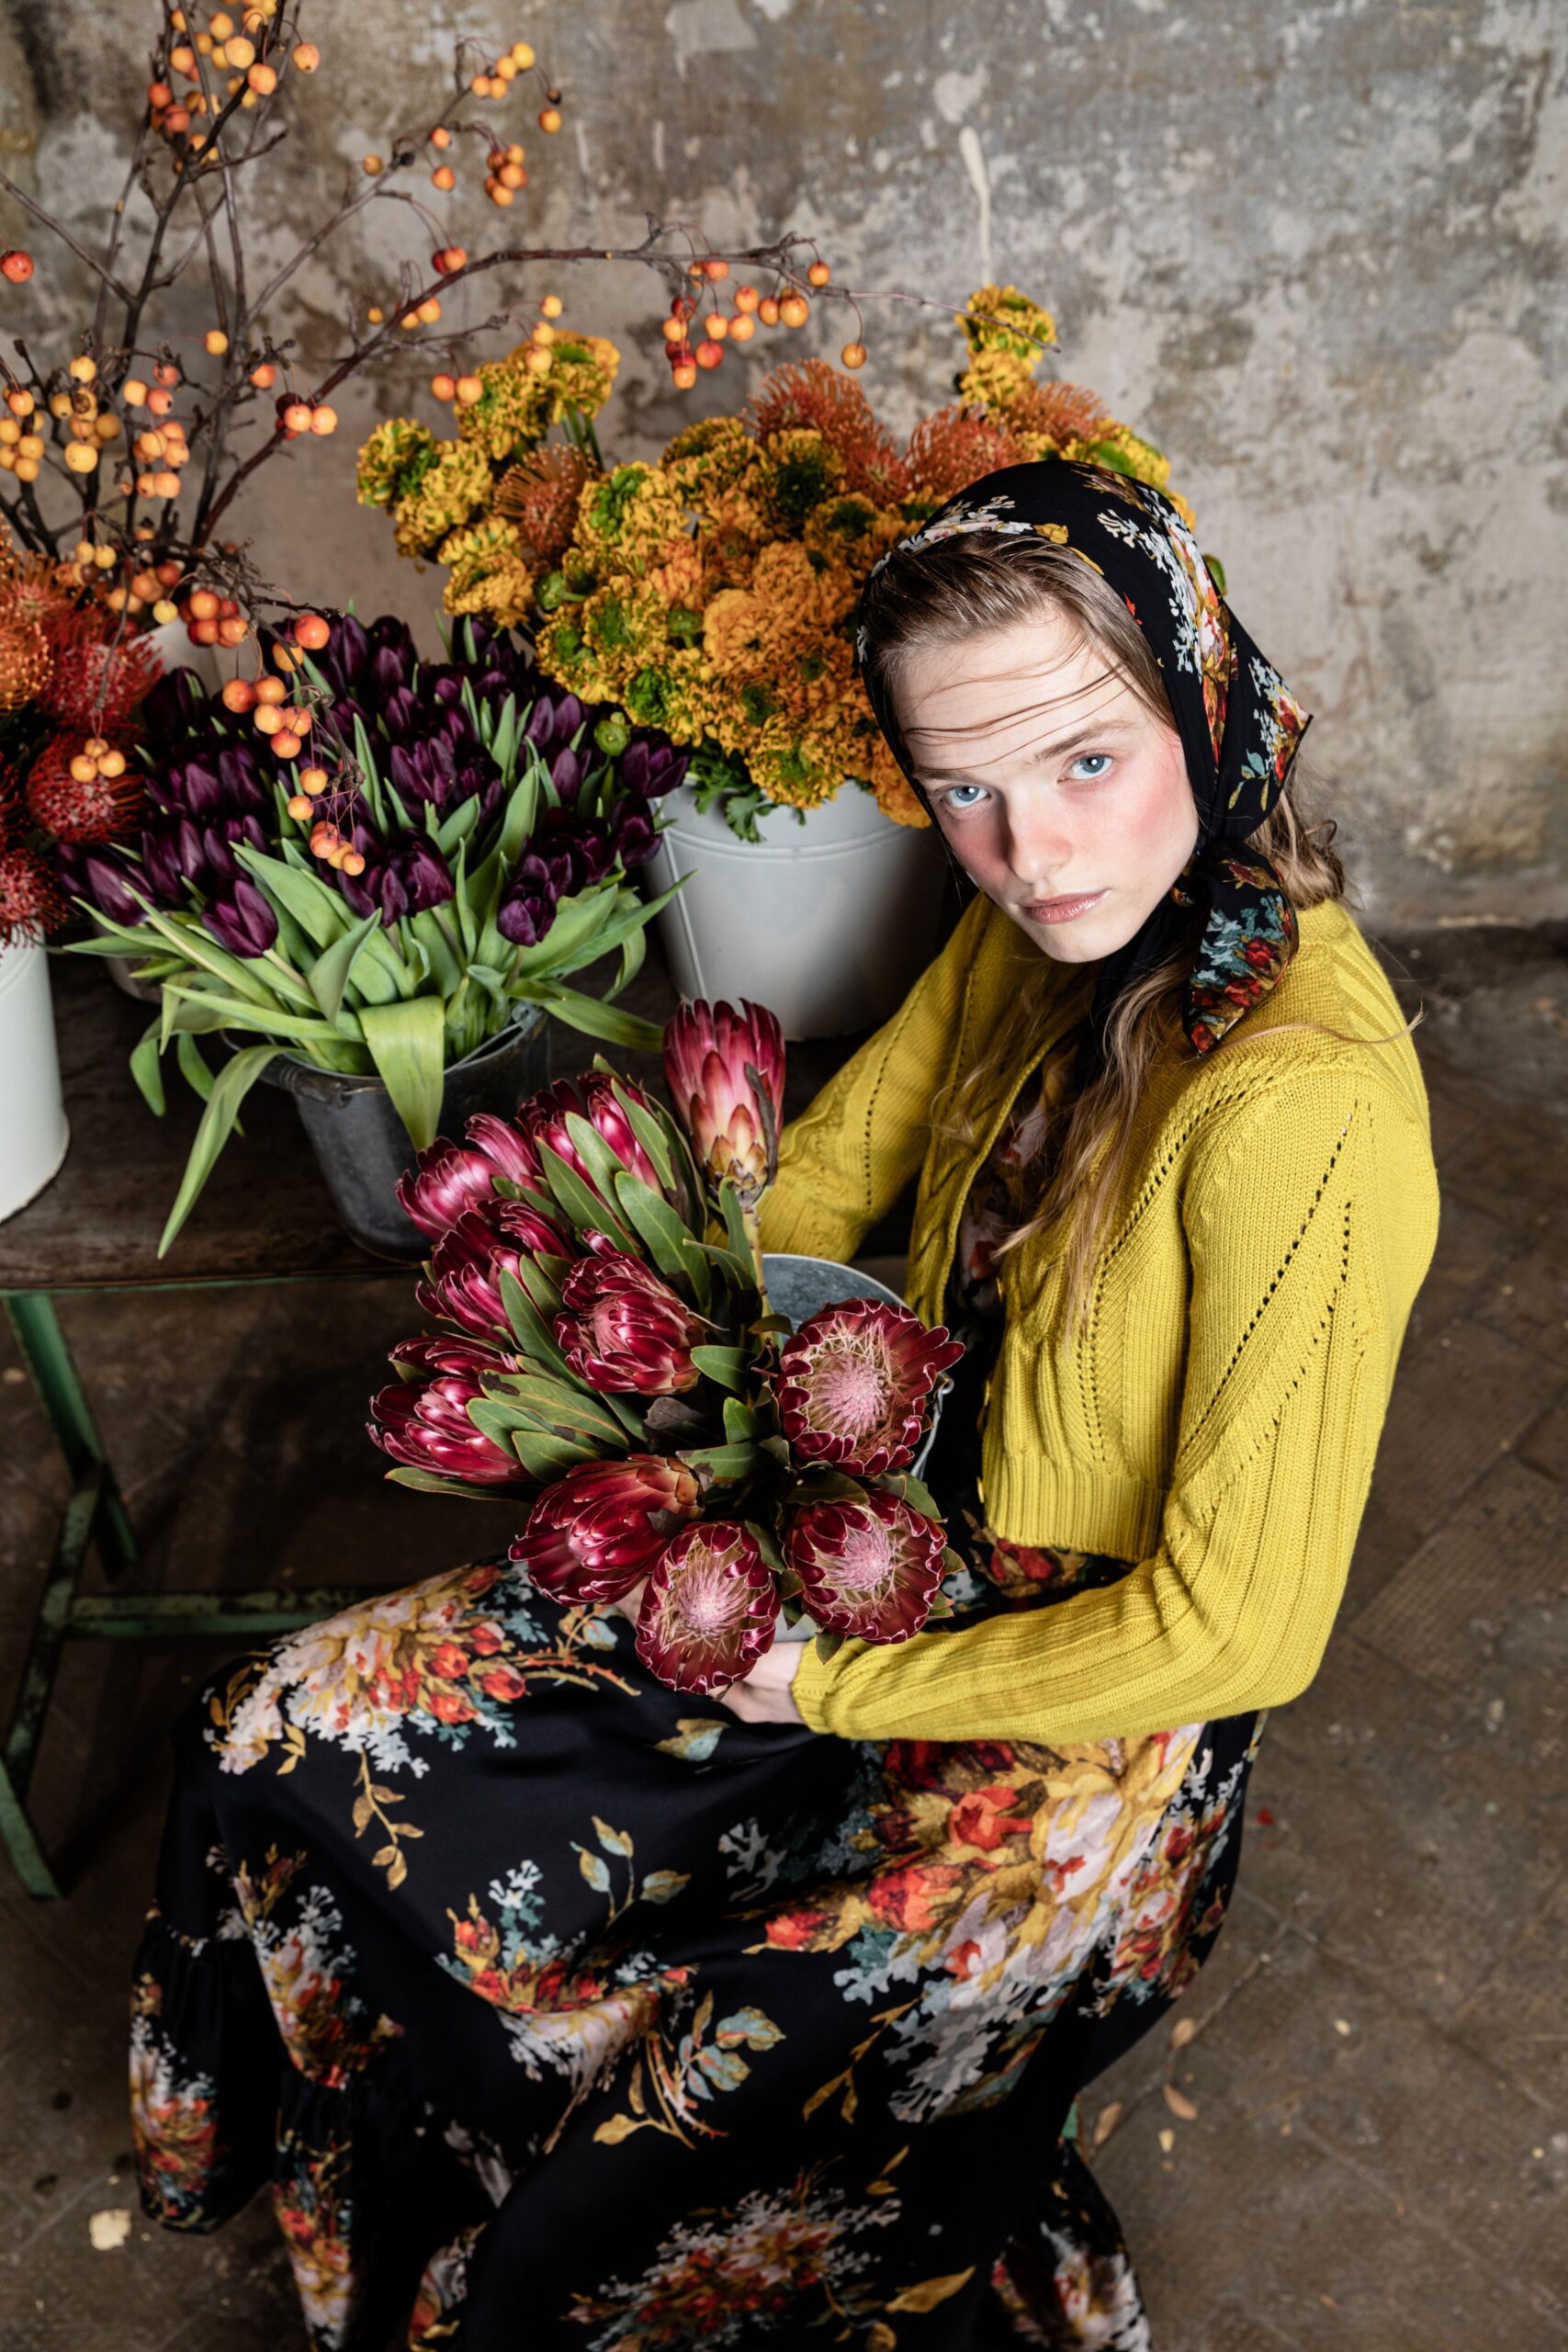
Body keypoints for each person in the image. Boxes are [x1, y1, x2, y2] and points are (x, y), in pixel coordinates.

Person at [130, 458, 1440, 2350]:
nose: (1032, 849)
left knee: (661, 2111)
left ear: (1202, 691)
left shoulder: (1293, 1111)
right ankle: (324, 2155)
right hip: (857, 1519)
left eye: (1084, 761)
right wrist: (666, 1360)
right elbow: (837, 1167)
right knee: (283, 1731)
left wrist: (827, 1688)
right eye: (964, 790)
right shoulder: (1045, 925)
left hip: (1058, 1736)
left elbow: (1233, 1626)